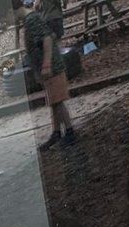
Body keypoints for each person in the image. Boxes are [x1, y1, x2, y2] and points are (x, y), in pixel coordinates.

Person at [25, 0, 76, 149]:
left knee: (57, 100)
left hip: (52, 64)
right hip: (50, 19)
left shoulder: (33, 19)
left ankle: (69, 131)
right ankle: (56, 132)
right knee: (53, 101)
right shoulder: (32, 18)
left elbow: (47, 40)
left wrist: (47, 64)